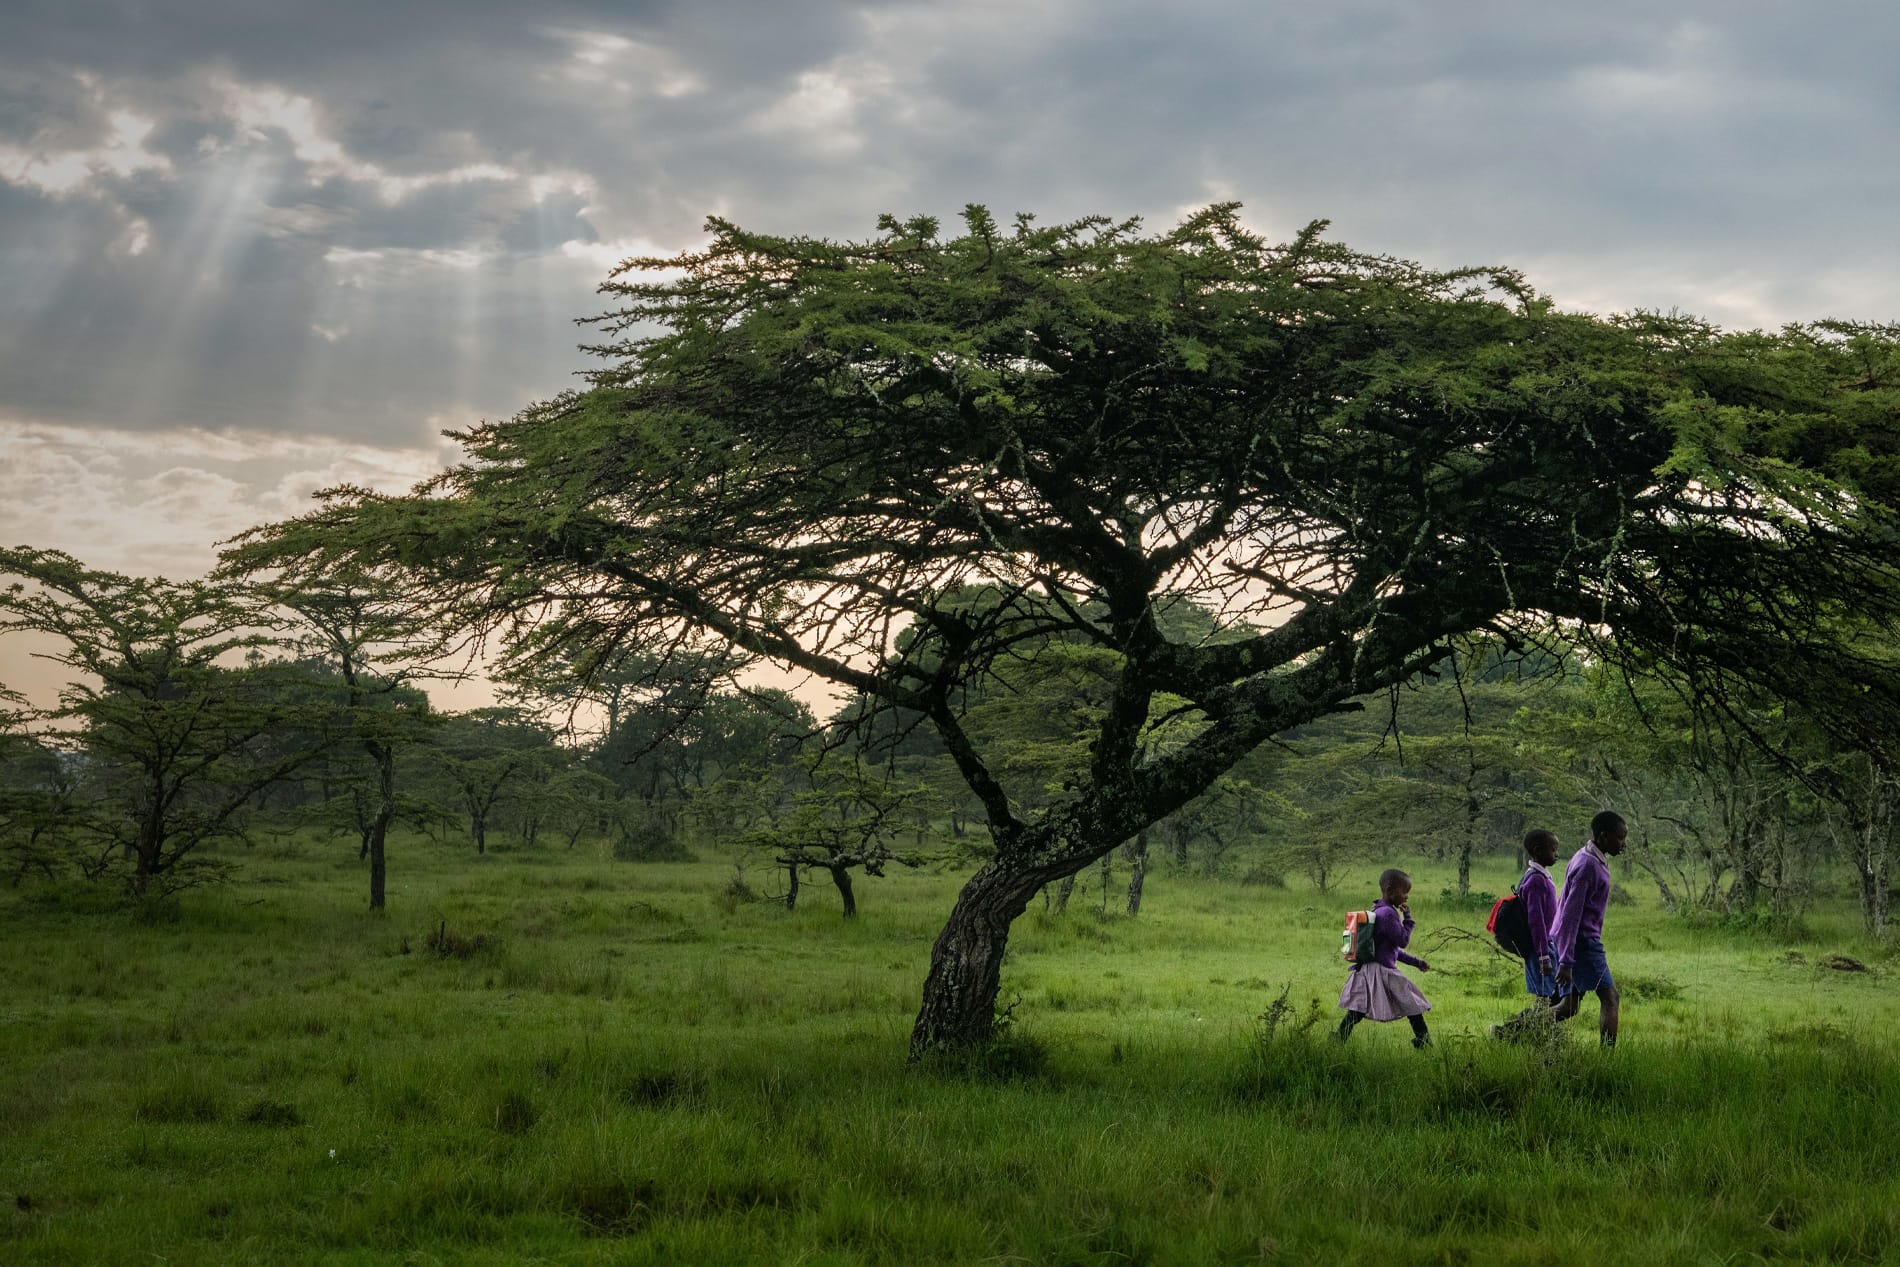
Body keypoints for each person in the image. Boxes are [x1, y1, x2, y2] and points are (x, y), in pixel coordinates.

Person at [1549, 810, 1627, 1046]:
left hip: (1573, 941)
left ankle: (1509, 1031)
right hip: (1582, 943)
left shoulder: (1590, 857)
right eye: (1620, 838)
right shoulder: (1588, 866)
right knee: (1610, 997)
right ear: (1604, 836)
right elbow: (1572, 915)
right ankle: (1608, 1059)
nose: (1623, 844)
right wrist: (1566, 961)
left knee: (1568, 1006)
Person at [1337, 867, 1433, 1048]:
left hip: (1368, 968)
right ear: (1390, 891)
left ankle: (1338, 1038)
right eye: (1404, 892)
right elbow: (1402, 941)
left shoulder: (1379, 910)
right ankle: (1424, 1040)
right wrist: (1408, 919)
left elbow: (1392, 950)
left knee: (1357, 1010)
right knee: (1411, 1003)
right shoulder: (1389, 914)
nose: (1406, 897)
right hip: (1381, 969)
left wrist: (1417, 963)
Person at [1490, 828, 1561, 1041]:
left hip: (1547, 945)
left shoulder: (1538, 877)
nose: (1557, 854)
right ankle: (1507, 1033)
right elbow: (1536, 922)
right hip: (1540, 948)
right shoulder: (1536, 881)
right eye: (1553, 850)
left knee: (1553, 997)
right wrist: (1543, 956)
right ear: (1538, 851)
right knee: (1546, 999)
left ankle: (1523, 1035)